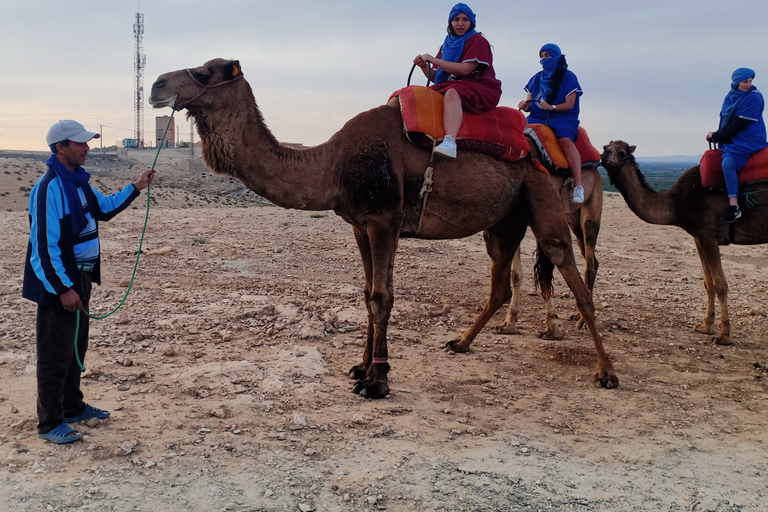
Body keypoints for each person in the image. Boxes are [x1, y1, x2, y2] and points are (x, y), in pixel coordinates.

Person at [23, 120, 156, 444]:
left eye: (87, 142)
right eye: (80, 143)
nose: (87, 148)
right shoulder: (48, 188)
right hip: (59, 287)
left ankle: (73, 407)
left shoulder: (79, 183)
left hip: (80, 280)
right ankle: (50, 422)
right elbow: (43, 247)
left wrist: (136, 186)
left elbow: (103, 209)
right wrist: (64, 289)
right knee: (54, 355)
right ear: (61, 148)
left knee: (74, 348)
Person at [413, 3, 502, 159]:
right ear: (450, 23)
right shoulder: (446, 45)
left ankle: (450, 142)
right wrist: (423, 67)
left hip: (480, 87)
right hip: (452, 85)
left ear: (471, 22)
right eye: (456, 19)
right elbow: (438, 77)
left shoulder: (477, 41)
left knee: (452, 93)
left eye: (465, 19)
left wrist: (434, 59)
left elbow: (465, 69)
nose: (460, 23)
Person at [518, 44, 584, 203]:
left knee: (565, 141)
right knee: (517, 136)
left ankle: (578, 185)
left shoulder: (568, 76)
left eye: (548, 55)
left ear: (556, 56)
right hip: (536, 118)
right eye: (542, 55)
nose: (544, 59)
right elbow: (529, 103)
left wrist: (552, 106)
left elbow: (570, 103)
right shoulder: (536, 78)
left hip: (563, 118)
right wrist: (524, 106)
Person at [706, 68, 768, 223]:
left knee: (727, 164)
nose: (748, 84)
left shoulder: (755, 97)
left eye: (750, 81)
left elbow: (740, 124)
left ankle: (734, 206)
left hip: (749, 139)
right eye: (745, 82)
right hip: (732, 139)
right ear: (736, 82)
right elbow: (726, 122)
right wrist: (716, 134)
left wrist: (717, 136)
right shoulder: (729, 97)